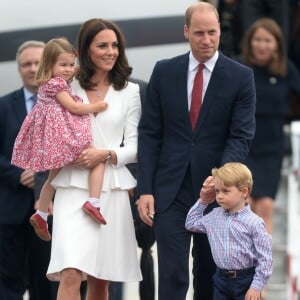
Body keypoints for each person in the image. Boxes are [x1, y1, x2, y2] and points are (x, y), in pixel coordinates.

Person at [136, 2, 256, 300]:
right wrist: (145, 189)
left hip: (217, 193)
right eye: (199, 33)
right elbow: (150, 133)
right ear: (186, 32)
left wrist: (222, 179)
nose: (206, 40)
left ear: (219, 32)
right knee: (173, 276)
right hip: (170, 190)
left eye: (212, 33)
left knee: (207, 276)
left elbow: (241, 136)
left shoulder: (241, 77)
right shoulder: (165, 72)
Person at [46, 18, 142, 300]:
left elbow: (136, 146)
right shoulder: (65, 86)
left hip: (109, 188)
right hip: (72, 188)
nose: (111, 51)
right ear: (86, 50)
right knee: (71, 271)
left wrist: (107, 154)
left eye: (115, 45)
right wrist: (67, 154)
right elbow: (47, 132)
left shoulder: (130, 91)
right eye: (102, 45)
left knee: (101, 280)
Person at [11, 37, 108, 242]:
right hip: (64, 139)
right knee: (98, 159)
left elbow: (74, 68)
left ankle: (41, 214)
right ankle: (94, 202)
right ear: (49, 65)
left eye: (71, 65)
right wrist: (96, 106)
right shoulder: (57, 85)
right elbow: (74, 108)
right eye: (63, 65)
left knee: (52, 179)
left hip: (55, 140)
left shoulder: (48, 83)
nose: (68, 69)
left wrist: (80, 65)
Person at [0, 40, 58, 300]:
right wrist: (17, 173)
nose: (33, 68)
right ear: (19, 68)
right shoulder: (3, 106)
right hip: (10, 211)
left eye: (38, 63)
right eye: (26, 64)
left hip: (48, 212)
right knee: (7, 283)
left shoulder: (64, 106)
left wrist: (41, 177)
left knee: (45, 282)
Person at [241, 18, 300, 235]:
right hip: (243, 146)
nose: (262, 45)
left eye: (268, 40)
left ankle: (262, 265)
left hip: (271, 148)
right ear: (249, 42)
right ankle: (244, 264)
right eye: (257, 39)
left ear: (277, 44)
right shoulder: (238, 67)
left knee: (265, 206)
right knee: (245, 206)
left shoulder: (286, 70)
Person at [185, 162, 273, 300]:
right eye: (217, 191)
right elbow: (190, 224)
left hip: (246, 280)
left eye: (225, 191)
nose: (219, 196)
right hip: (220, 279)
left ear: (244, 192)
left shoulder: (255, 223)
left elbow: (265, 259)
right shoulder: (214, 216)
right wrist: (203, 200)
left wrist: (256, 287)